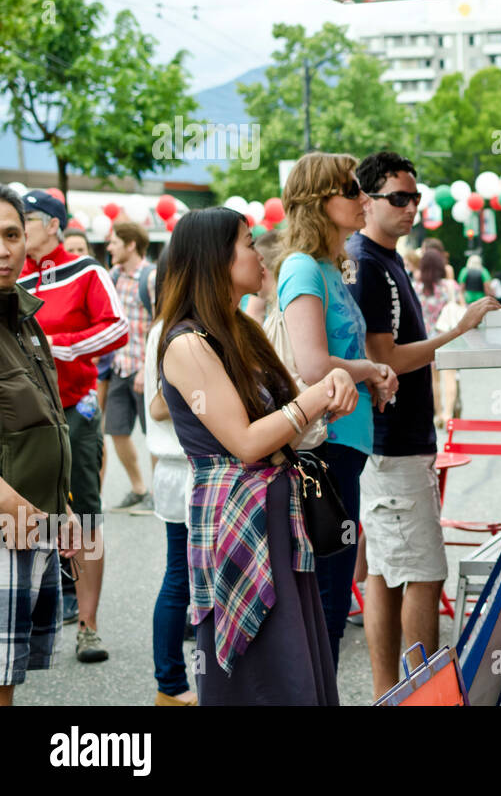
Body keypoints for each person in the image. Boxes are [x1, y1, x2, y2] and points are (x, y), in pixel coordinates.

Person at [159, 207, 356, 705]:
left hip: (274, 513)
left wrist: (328, 387)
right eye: (248, 243)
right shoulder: (186, 343)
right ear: (217, 259)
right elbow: (246, 442)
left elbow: (287, 417)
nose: (261, 252)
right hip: (237, 521)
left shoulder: (240, 329)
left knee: (288, 663)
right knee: (260, 673)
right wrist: (319, 395)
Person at [348, 151, 499, 699]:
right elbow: (383, 356)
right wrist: (454, 331)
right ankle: (419, 695)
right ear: (366, 201)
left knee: (386, 574)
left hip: (386, 442)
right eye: (398, 198)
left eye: (416, 197)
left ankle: (393, 693)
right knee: (424, 571)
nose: (411, 206)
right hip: (392, 444)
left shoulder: (382, 257)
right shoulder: (366, 261)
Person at [277, 152, 399, 669]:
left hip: (345, 445)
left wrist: (372, 371)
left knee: (331, 596)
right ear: (319, 201)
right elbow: (312, 365)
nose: (363, 199)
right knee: (326, 598)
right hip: (324, 448)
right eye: (352, 191)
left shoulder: (328, 266)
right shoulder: (303, 266)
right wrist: (371, 371)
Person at [18, 190, 128, 665]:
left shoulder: (86, 272)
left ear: (55, 226)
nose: (19, 229)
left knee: (83, 515)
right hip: (20, 418)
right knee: (19, 516)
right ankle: (23, 623)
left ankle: (88, 626)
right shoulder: (11, 276)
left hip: (75, 410)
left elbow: (116, 327)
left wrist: (56, 345)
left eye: (28, 220)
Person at [0, 185, 82, 706]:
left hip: (31, 522)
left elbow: (49, 419)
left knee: (7, 678)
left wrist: (64, 504)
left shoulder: (25, 316)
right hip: (7, 520)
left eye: (11, 234)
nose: (3, 248)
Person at [142, 246, 196, 706]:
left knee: (181, 578)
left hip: (179, 471)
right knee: (182, 579)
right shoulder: (174, 329)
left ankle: (172, 685)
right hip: (184, 470)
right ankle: (171, 685)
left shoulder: (166, 325)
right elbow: (161, 404)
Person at [105, 220, 155, 513]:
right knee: (116, 431)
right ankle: (139, 488)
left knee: (153, 436)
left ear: (131, 244)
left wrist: (146, 368)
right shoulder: (112, 275)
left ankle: (156, 494)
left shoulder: (150, 277)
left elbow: (162, 323)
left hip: (142, 368)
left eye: (113, 242)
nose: (109, 247)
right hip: (119, 366)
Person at [418, 248, 463, 428]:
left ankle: (437, 414)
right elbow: (460, 307)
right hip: (447, 336)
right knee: (449, 377)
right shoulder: (449, 286)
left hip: (426, 339)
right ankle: (448, 415)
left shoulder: (416, 287)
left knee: (434, 380)